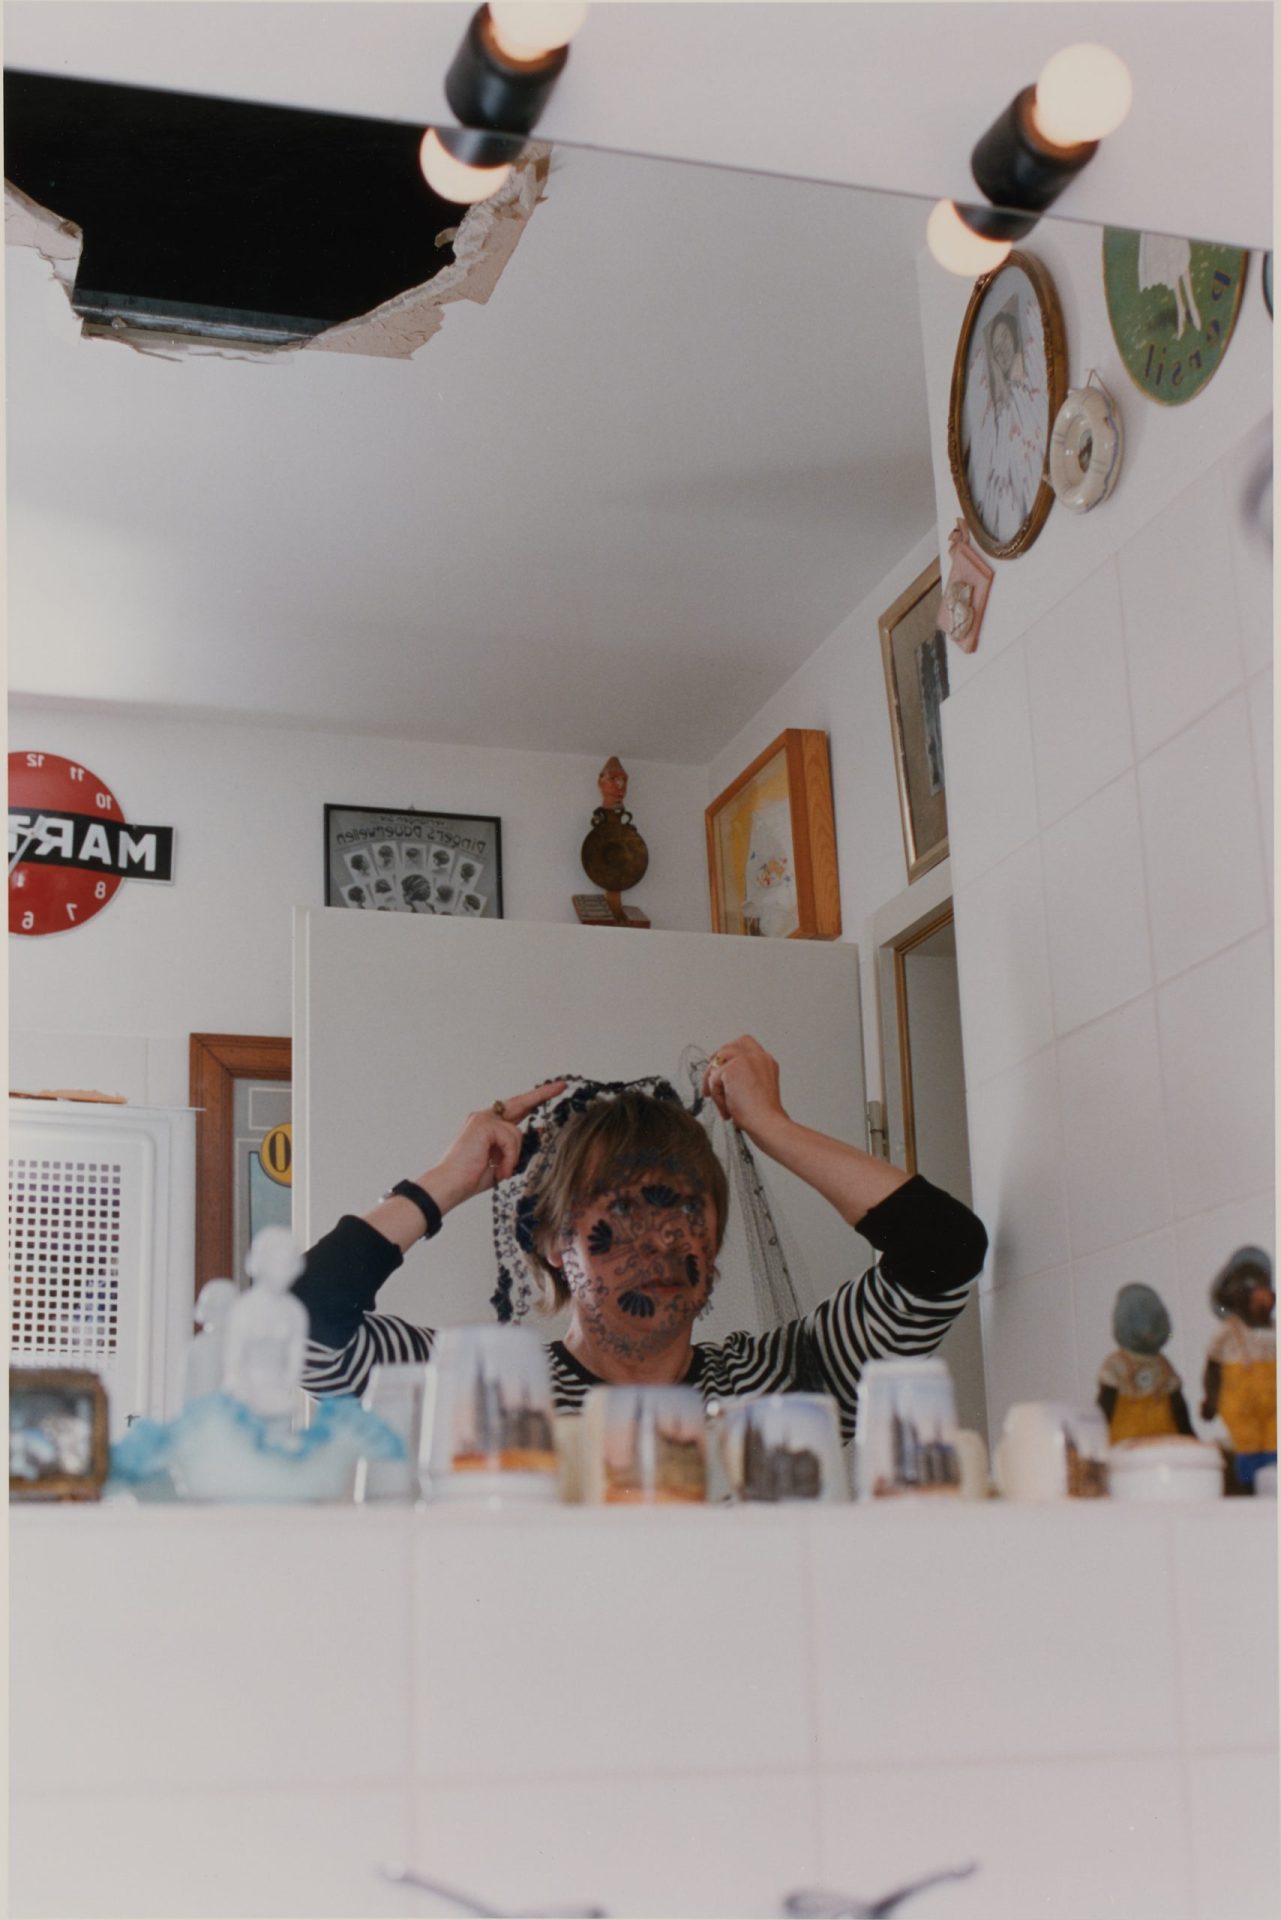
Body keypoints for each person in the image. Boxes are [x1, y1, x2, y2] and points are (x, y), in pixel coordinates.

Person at [294, 1035, 988, 1439]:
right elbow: (298, 1324)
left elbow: (944, 1251)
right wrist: (445, 1182)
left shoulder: (788, 1384)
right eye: (620, 1213)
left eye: (683, 1212)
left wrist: (771, 1128)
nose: (658, 1244)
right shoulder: (486, 1393)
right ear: (554, 1243)